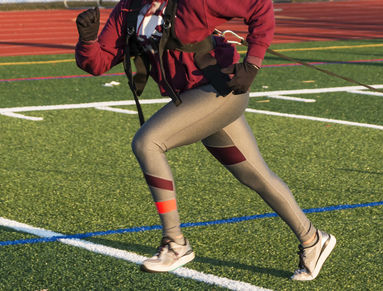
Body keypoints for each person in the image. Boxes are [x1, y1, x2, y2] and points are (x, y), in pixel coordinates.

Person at [75, 0, 335, 280]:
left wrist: (253, 63)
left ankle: (175, 243)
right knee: (256, 176)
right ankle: (313, 239)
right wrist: (87, 39)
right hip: (194, 99)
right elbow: (98, 63)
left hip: (219, 91)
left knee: (147, 142)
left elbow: (260, 6)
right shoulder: (128, 9)